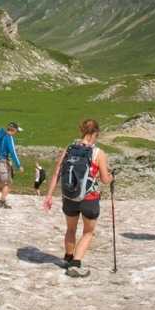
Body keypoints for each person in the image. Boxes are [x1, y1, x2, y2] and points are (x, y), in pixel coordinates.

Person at [43, 119, 113, 278]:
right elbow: (104, 179)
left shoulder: (69, 149)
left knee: (71, 228)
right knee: (88, 232)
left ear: (82, 131)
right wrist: (111, 177)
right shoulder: (98, 153)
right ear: (96, 133)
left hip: (69, 196)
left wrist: (49, 195)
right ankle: (75, 264)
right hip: (89, 198)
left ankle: (68, 257)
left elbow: (56, 173)